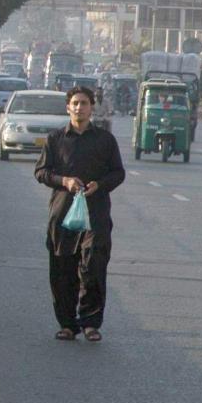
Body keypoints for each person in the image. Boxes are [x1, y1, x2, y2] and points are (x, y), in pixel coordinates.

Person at [34, 85, 125, 342]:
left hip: (95, 213)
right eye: (74, 103)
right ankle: (67, 324)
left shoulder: (105, 141)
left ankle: (90, 323)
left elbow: (118, 173)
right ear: (68, 107)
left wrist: (100, 185)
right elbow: (41, 172)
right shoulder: (55, 139)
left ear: (91, 107)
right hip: (63, 213)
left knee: (93, 265)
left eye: (84, 103)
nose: (79, 107)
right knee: (62, 268)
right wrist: (64, 181)